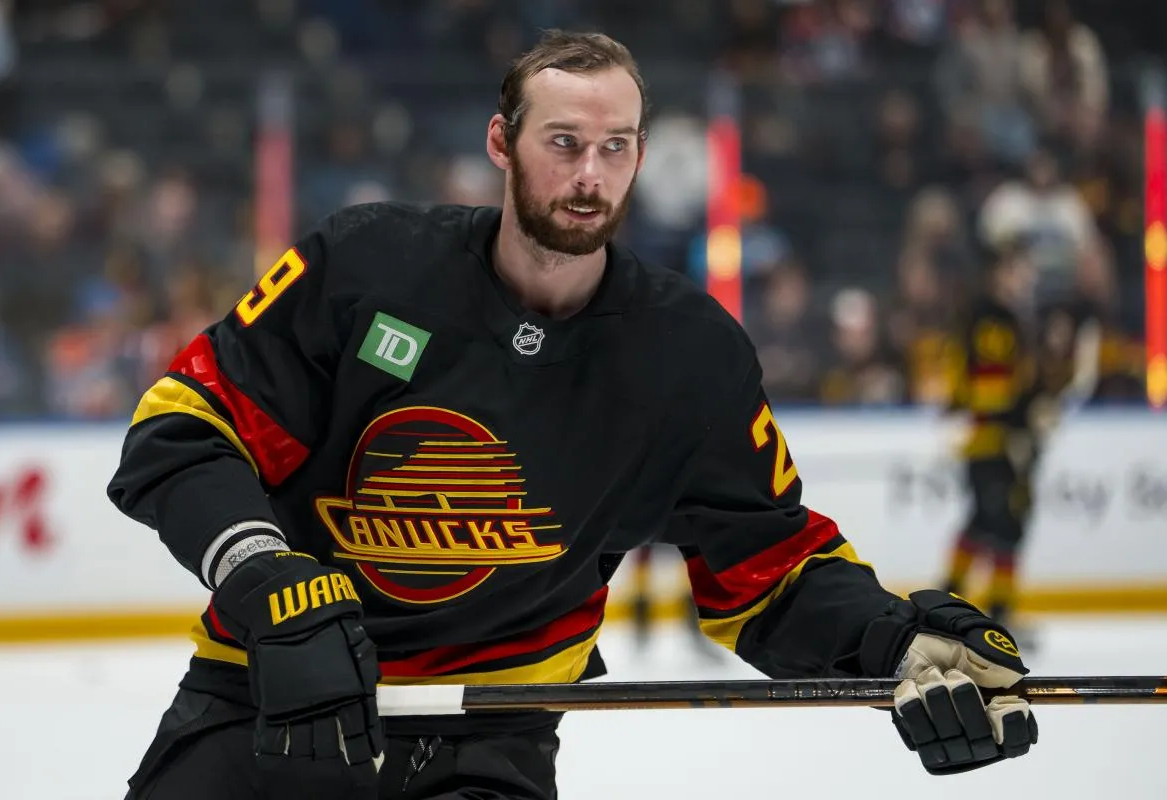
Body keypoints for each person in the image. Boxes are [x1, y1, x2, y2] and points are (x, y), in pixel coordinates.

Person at [107, 30, 1038, 800]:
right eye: (562, 143)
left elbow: (770, 570)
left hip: (483, 744)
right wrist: (264, 572)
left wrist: (899, 644)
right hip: (269, 695)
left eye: (616, 146)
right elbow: (182, 433)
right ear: (501, 144)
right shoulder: (363, 269)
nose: (589, 175)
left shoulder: (687, 355)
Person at [939, 236, 1065, 633]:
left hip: (995, 438)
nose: (1028, 277)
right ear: (1000, 273)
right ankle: (995, 611)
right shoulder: (993, 319)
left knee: (984, 520)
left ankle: (949, 600)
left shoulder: (1008, 316)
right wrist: (1023, 421)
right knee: (1003, 522)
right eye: (1019, 269)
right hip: (993, 441)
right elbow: (989, 389)